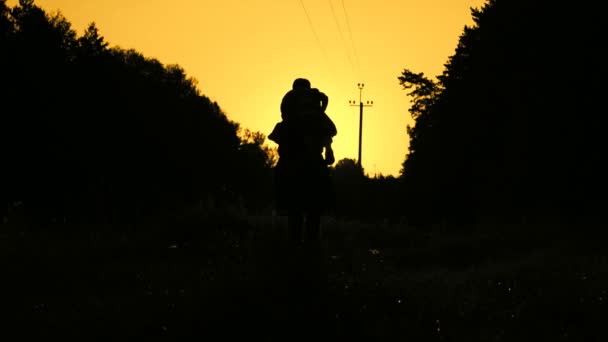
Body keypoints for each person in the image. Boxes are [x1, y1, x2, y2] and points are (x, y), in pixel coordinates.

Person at [268, 78, 337, 247]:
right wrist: (320, 111)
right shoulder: (316, 117)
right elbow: (331, 131)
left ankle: (297, 248)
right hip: (313, 166)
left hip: (292, 167)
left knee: (295, 213)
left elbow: (279, 135)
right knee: (313, 213)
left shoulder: (289, 119)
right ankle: (309, 248)